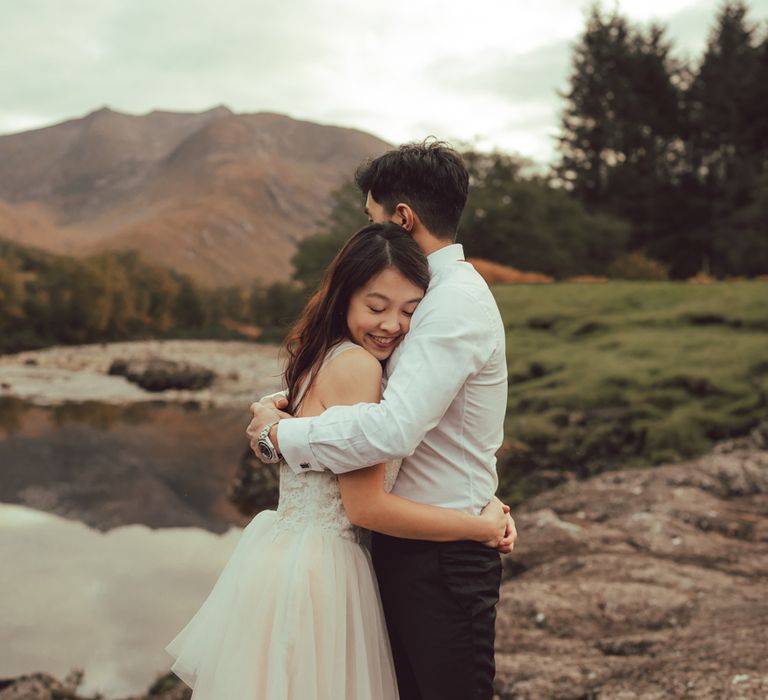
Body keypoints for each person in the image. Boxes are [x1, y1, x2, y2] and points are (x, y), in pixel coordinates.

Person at [165, 223, 509, 700]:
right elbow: (364, 507)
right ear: (344, 298)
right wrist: (479, 528)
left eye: (409, 311)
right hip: (324, 572)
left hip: (285, 559)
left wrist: (271, 431)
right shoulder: (358, 367)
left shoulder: (322, 355)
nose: (392, 324)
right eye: (376, 307)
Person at [248, 140, 514, 700]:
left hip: (442, 556)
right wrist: (285, 403)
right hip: (400, 543)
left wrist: (281, 435)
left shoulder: (452, 302)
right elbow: (374, 389)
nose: (369, 233)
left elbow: (391, 428)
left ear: (402, 217)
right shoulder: (422, 293)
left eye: (372, 218)